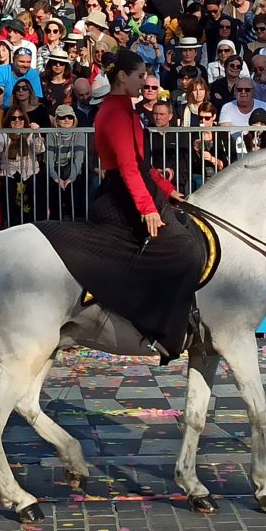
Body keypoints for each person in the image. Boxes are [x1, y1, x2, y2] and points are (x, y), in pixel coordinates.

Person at [85, 49, 202, 362]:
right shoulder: (114, 112)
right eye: (140, 76)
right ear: (123, 77)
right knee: (179, 248)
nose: (145, 82)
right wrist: (147, 208)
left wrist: (168, 190)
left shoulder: (126, 110)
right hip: (120, 194)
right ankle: (157, 325)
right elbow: (127, 167)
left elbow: (142, 164)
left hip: (136, 187)